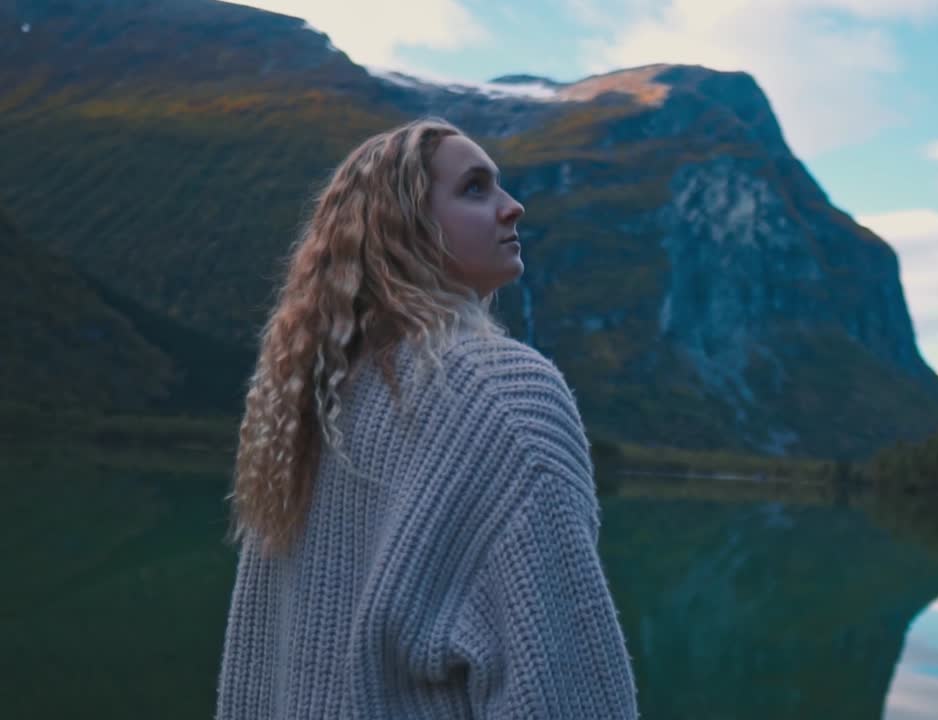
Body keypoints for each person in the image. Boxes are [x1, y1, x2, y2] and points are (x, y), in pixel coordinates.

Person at [215, 118, 639, 719]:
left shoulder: (305, 407)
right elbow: (559, 688)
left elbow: (256, 674)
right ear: (403, 228)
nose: (513, 208)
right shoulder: (506, 395)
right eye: (475, 188)